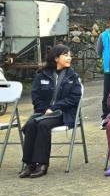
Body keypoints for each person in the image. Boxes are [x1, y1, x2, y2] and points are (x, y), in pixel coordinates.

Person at [19, 44, 81, 179]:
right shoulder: (42, 74)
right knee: (31, 124)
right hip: (43, 113)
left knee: (43, 125)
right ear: (56, 58)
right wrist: (43, 109)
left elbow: (74, 98)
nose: (69, 58)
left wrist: (54, 108)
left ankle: (42, 164)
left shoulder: (73, 76)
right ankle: (29, 164)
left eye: (70, 55)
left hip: (63, 113)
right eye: (66, 55)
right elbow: (36, 95)